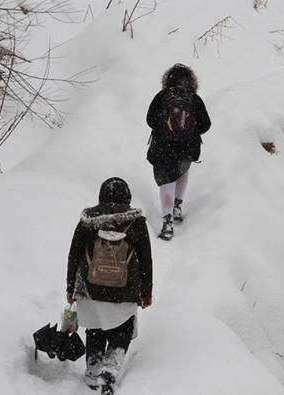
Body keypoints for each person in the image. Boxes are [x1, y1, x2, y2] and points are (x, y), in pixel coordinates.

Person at [66, 177, 153, 394]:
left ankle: (93, 369)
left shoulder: (88, 221)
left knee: (95, 327)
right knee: (122, 329)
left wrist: (70, 288)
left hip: (90, 288)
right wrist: (146, 292)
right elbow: (145, 259)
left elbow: (74, 255)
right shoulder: (136, 223)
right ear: (128, 198)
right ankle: (110, 370)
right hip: (125, 289)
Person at [146, 63, 211, 240]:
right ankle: (177, 207)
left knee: (166, 182)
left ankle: (167, 222)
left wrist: (165, 128)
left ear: (167, 80)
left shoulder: (161, 96)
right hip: (186, 148)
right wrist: (189, 130)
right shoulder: (194, 98)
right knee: (181, 173)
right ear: (191, 81)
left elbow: (150, 120)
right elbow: (206, 125)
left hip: (162, 149)